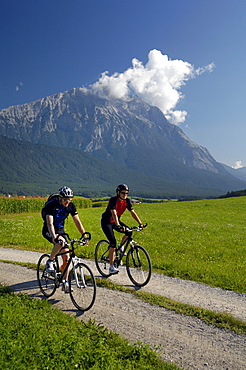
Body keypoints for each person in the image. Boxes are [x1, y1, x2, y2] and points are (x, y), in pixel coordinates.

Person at [42, 186, 89, 293]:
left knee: (67, 258)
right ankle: (50, 261)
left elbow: (77, 221)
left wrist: (84, 235)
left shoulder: (70, 206)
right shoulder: (52, 205)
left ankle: (65, 282)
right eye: (65, 200)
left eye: (69, 200)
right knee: (60, 243)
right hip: (49, 229)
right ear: (60, 198)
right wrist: (54, 237)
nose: (67, 202)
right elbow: (49, 223)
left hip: (60, 229)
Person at [101, 184, 144, 274]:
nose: (125, 195)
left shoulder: (127, 201)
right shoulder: (113, 200)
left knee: (129, 232)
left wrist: (140, 223)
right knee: (112, 242)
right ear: (118, 192)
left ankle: (120, 247)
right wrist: (118, 225)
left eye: (127, 193)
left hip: (116, 221)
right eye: (123, 193)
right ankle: (111, 267)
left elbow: (132, 212)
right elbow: (114, 213)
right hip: (107, 222)